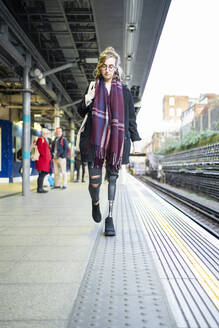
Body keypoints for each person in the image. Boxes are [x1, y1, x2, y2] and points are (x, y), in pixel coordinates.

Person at [78, 47, 141, 236]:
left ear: (116, 69)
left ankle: (110, 218)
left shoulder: (124, 90)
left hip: (116, 141)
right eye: (104, 66)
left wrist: (135, 138)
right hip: (94, 141)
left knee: (113, 179)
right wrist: (87, 99)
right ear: (100, 67)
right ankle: (95, 203)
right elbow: (81, 112)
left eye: (111, 66)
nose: (107, 70)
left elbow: (130, 117)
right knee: (94, 183)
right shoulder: (92, 87)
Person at [35, 128, 51, 193]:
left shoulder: (44, 139)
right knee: (42, 174)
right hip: (42, 160)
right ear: (44, 133)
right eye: (47, 133)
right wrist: (45, 156)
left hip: (45, 160)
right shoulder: (40, 139)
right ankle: (39, 188)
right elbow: (40, 149)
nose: (47, 134)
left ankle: (40, 188)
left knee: (43, 174)